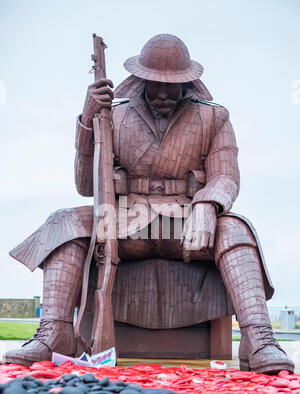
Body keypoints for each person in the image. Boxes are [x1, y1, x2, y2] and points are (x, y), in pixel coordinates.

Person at [5, 34, 294, 374]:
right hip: (124, 218)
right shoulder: (112, 114)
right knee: (63, 221)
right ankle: (55, 331)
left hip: (187, 219)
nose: (161, 94)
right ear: (140, 78)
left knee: (236, 228)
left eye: (171, 87)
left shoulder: (214, 118)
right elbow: (85, 187)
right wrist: (87, 122)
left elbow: (226, 177)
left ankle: (258, 337)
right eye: (155, 84)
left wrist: (208, 204)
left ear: (188, 83)